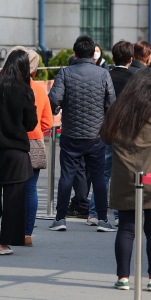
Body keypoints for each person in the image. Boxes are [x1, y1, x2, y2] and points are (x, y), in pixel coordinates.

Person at [101, 68, 151, 292]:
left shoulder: (118, 107)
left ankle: (122, 278)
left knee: (125, 229)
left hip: (125, 176)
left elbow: (105, 137)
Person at [48, 35, 116, 232]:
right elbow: (112, 103)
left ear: (75, 53)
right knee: (99, 178)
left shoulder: (65, 72)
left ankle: (60, 219)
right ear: (94, 54)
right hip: (96, 136)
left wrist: (57, 110)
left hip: (71, 134)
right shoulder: (103, 74)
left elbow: (54, 99)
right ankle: (102, 219)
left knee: (66, 177)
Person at [0, 50, 38, 254]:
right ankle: (5, 244)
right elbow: (30, 124)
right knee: (14, 199)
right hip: (16, 152)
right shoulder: (24, 90)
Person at [86, 40, 134, 226]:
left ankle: (94, 213)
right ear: (131, 59)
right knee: (124, 174)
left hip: (105, 129)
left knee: (102, 173)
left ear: (112, 57)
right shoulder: (134, 78)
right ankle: (120, 214)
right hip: (127, 131)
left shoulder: (104, 75)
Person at [24, 49, 53, 246]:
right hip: (34, 140)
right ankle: (27, 233)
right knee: (30, 188)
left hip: (10, 142)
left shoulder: (8, 87)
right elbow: (48, 123)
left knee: (5, 188)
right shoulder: (40, 91)